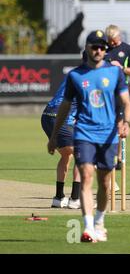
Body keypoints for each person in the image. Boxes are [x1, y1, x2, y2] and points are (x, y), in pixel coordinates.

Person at [48, 30, 130, 242]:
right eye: (94, 46)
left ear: (105, 50)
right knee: (86, 176)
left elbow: (126, 103)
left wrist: (126, 123)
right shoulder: (75, 75)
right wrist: (54, 136)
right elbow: (65, 108)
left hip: (108, 135)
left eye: (102, 47)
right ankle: (87, 228)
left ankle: (99, 221)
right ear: (86, 48)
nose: (98, 50)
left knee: (104, 183)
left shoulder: (115, 73)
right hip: (84, 132)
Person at [41, 78, 81, 209]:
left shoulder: (75, 74)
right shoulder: (90, 79)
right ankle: (75, 199)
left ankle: (58, 198)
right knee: (83, 154)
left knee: (66, 155)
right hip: (59, 117)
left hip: (47, 116)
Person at [105, 25, 130, 176]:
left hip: (120, 90)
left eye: (113, 40)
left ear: (118, 37)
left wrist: (120, 68)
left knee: (119, 123)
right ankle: (105, 154)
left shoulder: (128, 49)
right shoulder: (103, 49)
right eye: (109, 40)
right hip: (105, 91)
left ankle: (118, 158)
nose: (111, 43)